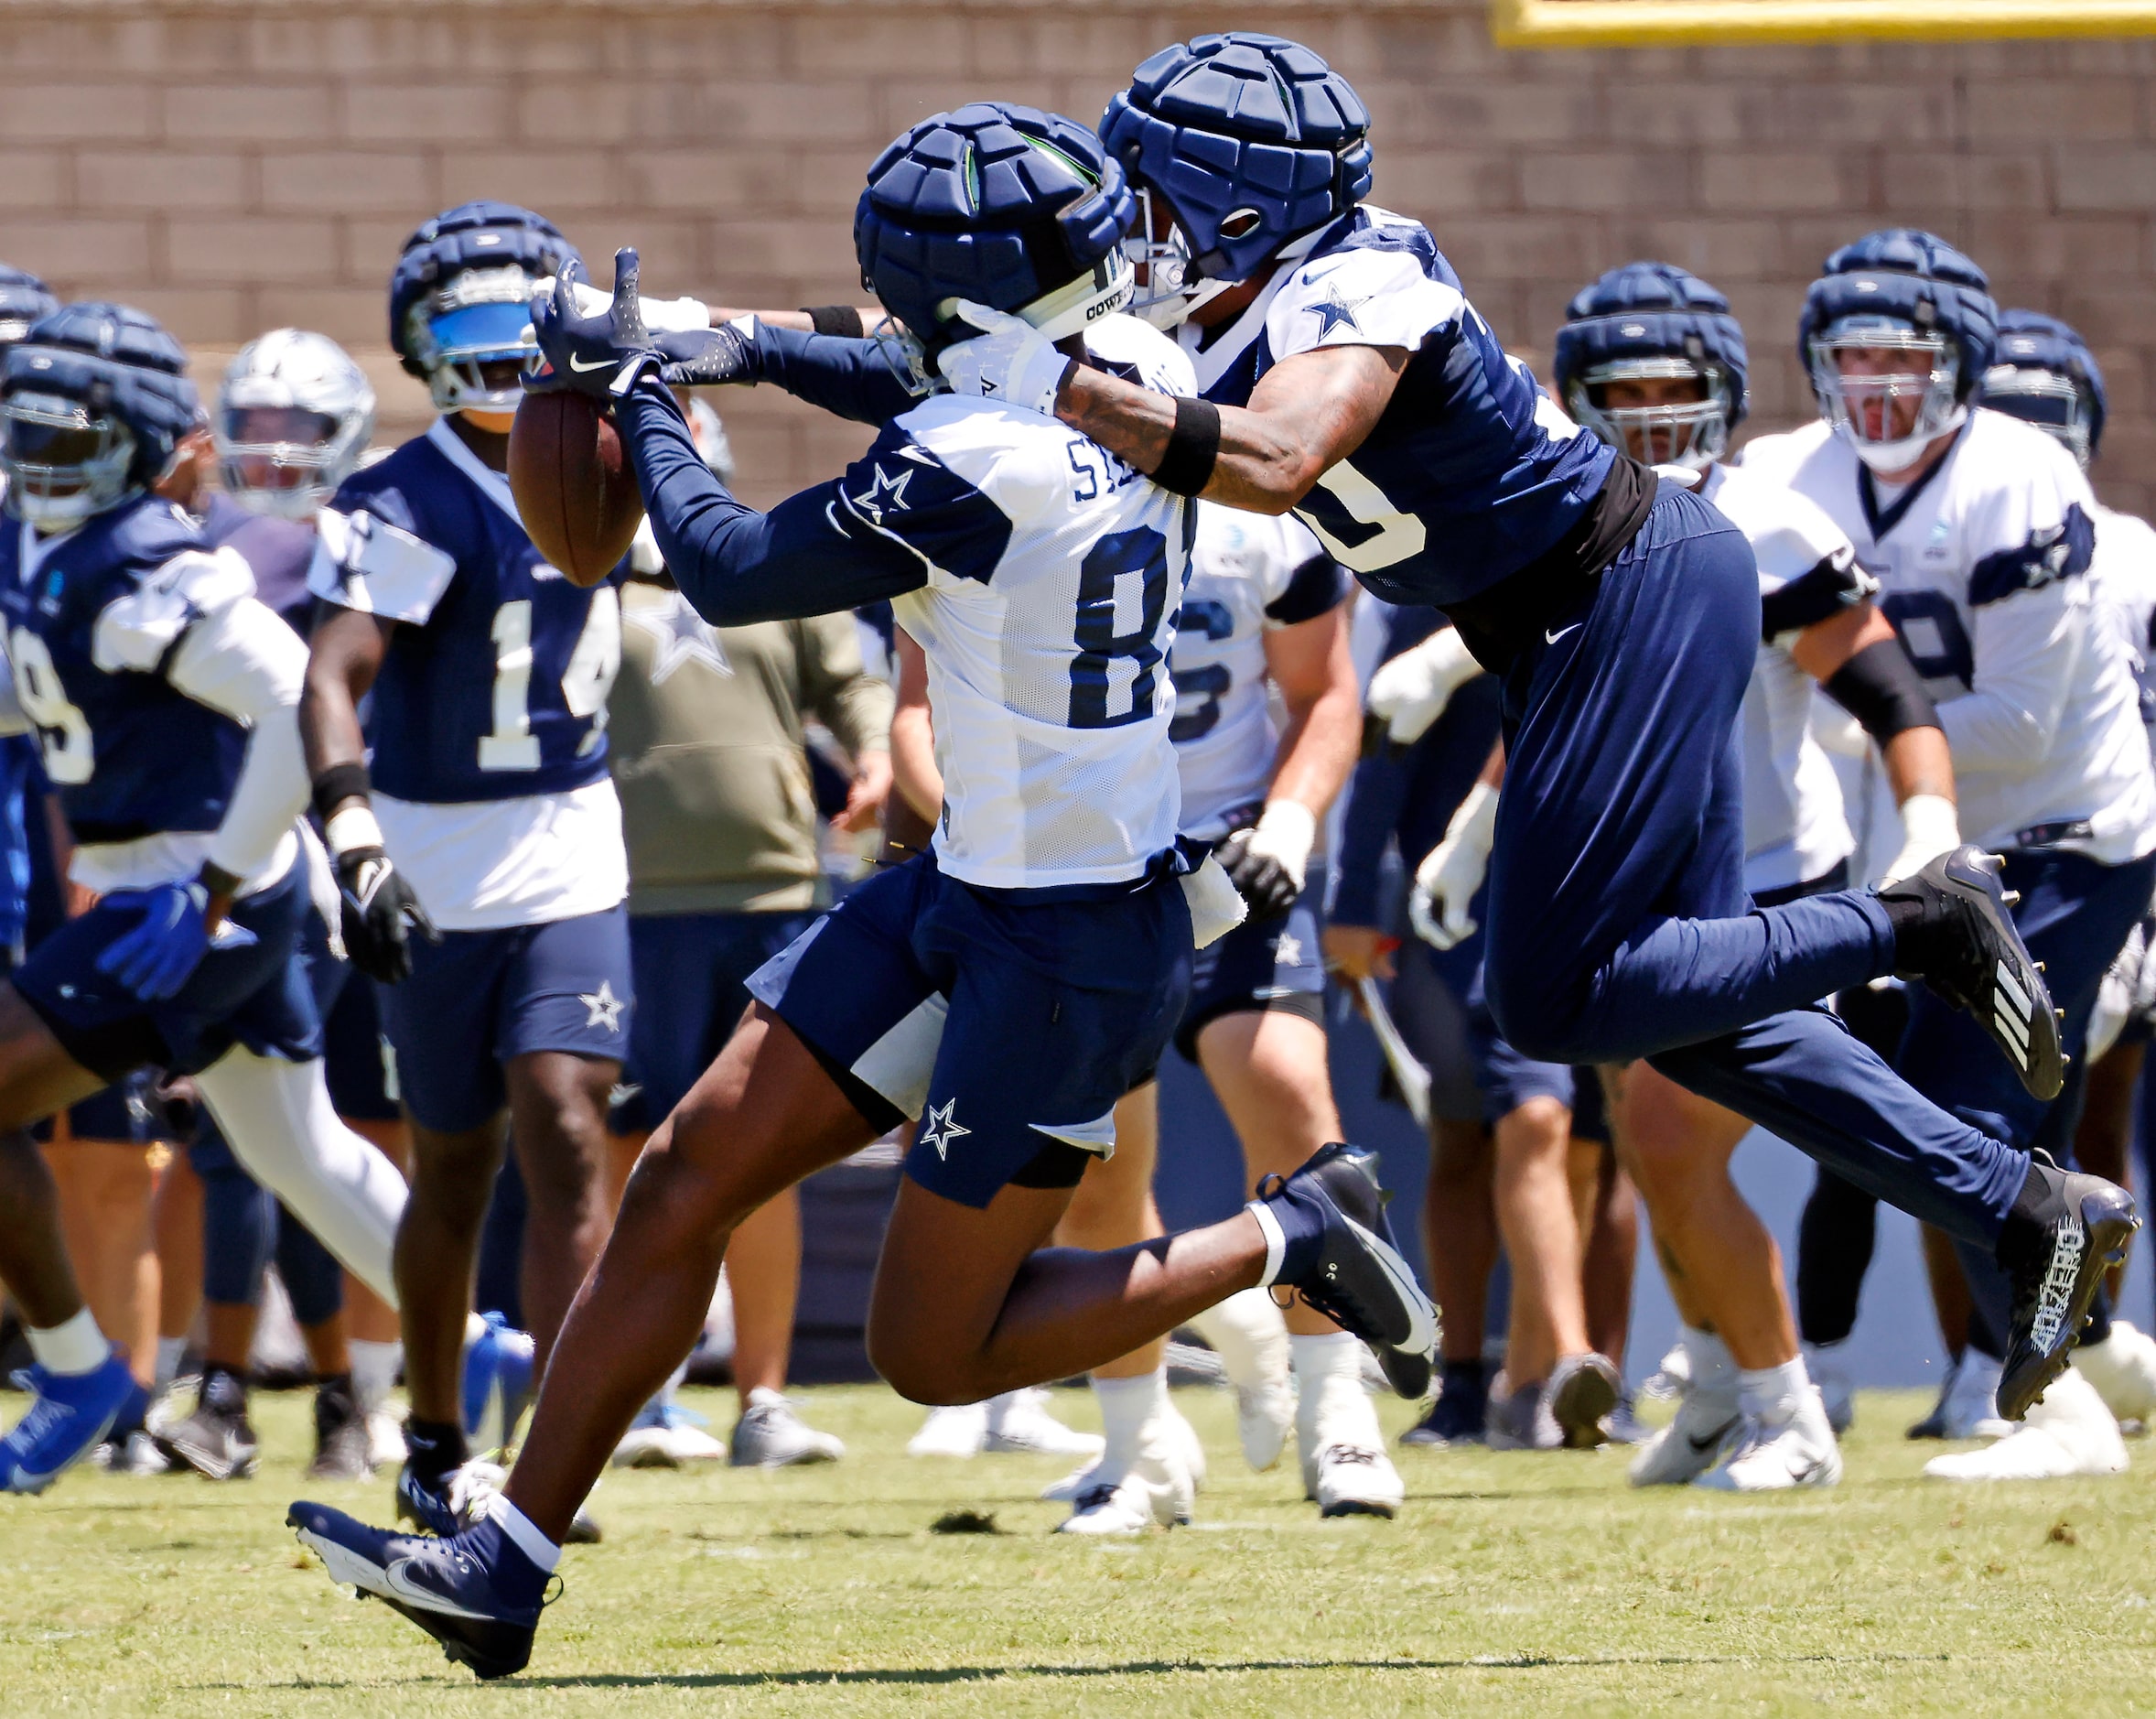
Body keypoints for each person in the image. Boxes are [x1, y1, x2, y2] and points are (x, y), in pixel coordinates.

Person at [289, 102, 1435, 1680]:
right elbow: (896, 358)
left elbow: (731, 563)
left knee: (930, 1353)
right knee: (686, 1166)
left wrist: (651, 401)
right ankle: (505, 1561)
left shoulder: (978, 458)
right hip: (968, 883)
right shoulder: (1128, 370)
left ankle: (1288, 1231)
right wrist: (707, 340)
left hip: (1069, 937)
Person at [933, 34, 2127, 1431]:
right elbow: (985, 370)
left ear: (1236, 201)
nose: (1125, 222)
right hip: (1576, 629)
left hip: (1624, 595)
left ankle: (1922, 922)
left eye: (1147, 186)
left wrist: (1054, 383)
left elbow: (1273, 461)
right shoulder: (1234, 297)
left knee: (1555, 999)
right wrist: (770, 348)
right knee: (1689, 1016)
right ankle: (2027, 1203)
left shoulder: (1355, 280)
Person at [1540, 261, 1962, 1488]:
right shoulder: (1560, 519)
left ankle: (1792, 1417)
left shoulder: (1767, 522)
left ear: (1724, 396)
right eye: (1626, 394)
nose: (1655, 418)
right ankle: (1720, 1383)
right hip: (1634, 885)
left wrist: (1927, 823)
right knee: (1646, 1135)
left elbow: (1889, 690)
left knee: (1670, 1139)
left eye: (1680, 391)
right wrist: (1479, 835)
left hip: (1771, 887)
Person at [1743, 233, 2156, 1483]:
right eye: (1852, 353)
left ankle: (2062, 1404)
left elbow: (2020, 722)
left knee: (1963, 1113)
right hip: (1927, 849)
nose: (1874, 380)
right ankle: (2098, 1363)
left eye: (1903, 355)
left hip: (2068, 840)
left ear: (1965, 362)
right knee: (1940, 1117)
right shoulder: (1787, 470)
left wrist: (1837, 717)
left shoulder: (2023, 476)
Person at [0, 301, 407, 1493]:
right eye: (22, 437)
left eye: (67, 443)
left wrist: (225, 879)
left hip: (192, 897)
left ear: (138, 448)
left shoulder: (162, 570)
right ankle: (476, 1338)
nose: (38, 466)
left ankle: (79, 1373)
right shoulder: (49, 547)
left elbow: (301, 712)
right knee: (304, 1162)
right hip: (173, 888)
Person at [296, 203, 632, 1538]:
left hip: (572, 846)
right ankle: (435, 1435)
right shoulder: (405, 494)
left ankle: (559, 1444)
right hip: (433, 860)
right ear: (420, 351)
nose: (503, 364)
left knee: (565, 1121)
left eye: (522, 336)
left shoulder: (609, 458)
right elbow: (333, 672)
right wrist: (355, 835)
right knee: (453, 1165)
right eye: (471, 338)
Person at [1041, 495, 1385, 1527]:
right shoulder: (1008, 497)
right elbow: (922, 710)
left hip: (1232, 856)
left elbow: (1326, 690)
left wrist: (1287, 819)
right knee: (1098, 1167)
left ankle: (1335, 1409)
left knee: (1287, 1091)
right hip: (1072, 867)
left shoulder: (1258, 512)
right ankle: (1137, 1442)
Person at [603, 395, 889, 1470]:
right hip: (628, 901)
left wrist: (873, 757)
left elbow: (853, 684)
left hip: (774, 889)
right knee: (633, 1158)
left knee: (761, 1162)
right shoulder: (581, 567)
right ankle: (641, 1394)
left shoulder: (767, 556)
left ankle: (762, 1399)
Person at [154, 330, 393, 1483]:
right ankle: (270, 1392)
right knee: (260, 1146)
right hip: (238, 860)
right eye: (258, 422)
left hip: (354, 867)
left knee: (299, 1147)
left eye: (302, 426)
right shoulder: (199, 545)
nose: (277, 448)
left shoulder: (373, 539)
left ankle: (313, 1390)